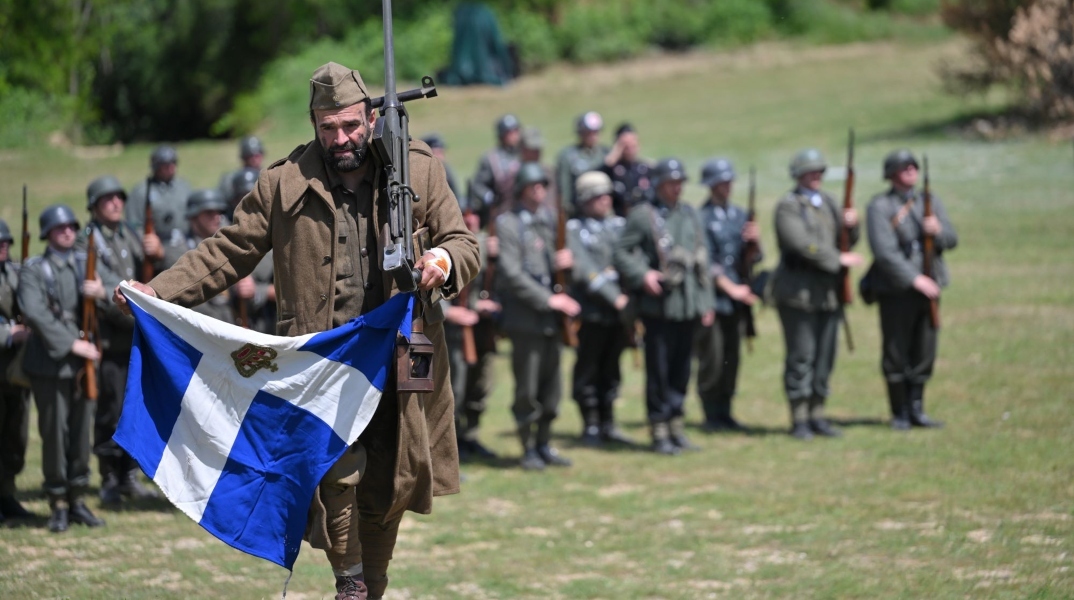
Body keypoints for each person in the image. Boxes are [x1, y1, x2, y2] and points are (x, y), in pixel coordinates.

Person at [112, 61, 479, 600]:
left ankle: (367, 586)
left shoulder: (417, 169)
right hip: (321, 367)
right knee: (337, 478)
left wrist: (443, 262)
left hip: (402, 358)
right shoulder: (284, 182)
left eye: (351, 125)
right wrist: (159, 292)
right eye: (328, 128)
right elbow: (228, 250)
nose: (341, 138)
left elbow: (465, 242)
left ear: (371, 117)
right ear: (314, 124)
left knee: (389, 480)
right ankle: (350, 582)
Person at [614, 158, 714, 455]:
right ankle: (659, 428)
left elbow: (702, 261)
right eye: (672, 182)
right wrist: (643, 274)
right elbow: (621, 252)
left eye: (680, 181)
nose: (677, 187)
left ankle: (676, 426)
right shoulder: (643, 215)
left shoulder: (690, 214)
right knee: (658, 370)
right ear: (658, 184)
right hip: (658, 307)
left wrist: (705, 302)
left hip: (688, 305)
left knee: (682, 369)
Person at [18, 204, 105, 533]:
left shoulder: (87, 263)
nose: (67, 231)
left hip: (84, 364)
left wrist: (100, 291)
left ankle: (78, 497)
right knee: (54, 434)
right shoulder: (34, 269)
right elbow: (34, 311)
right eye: (59, 228)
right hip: (50, 363)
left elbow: (118, 292)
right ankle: (57, 501)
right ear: (47, 233)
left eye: (71, 226)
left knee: (82, 434)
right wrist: (72, 343)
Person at [75, 176, 158, 506]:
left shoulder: (131, 233)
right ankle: (109, 476)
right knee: (110, 409)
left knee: (136, 407)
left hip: (135, 333)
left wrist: (157, 249)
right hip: (108, 337)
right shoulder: (87, 240)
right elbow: (94, 283)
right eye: (107, 199)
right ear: (94, 205)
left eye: (118, 198)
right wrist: (118, 294)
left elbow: (147, 272)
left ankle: (129, 474)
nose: (115, 203)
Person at [770, 149, 863, 440]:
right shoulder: (788, 207)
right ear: (798, 175)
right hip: (798, 292)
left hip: (827, 294)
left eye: (819, 172)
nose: (816, 177)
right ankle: (799, 418)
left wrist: (852, 224)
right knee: (801, 356)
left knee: (825, 357)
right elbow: (800, 244)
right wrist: (837, 260)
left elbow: (847, 239)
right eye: (810, 172)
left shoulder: (831, 203)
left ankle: (818, 414)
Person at [865, 150, 958, 430]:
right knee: (896, 351)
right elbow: (884, 252)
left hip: (930, 285)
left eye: (912, 167)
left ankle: (917, 408)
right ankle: (899, 412)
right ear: (892, 174)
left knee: (924, 349)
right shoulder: (880, 206)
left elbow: (952, 239)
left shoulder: (929, 202)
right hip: (896, 288)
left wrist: (937, 230)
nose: (910, 172)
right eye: (903, 168)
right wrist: (914, 280)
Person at [496, 162, 580, 470]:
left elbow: (571, 267)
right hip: (526, 320)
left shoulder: (550, 221)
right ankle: (528, 446)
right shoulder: (508, 224)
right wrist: (549, 300)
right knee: (527, 390)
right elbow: (512, 273)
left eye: (543, 185)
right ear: (522, 189)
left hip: (551, 324)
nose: (540, 190)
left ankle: (545, 443)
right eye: (535, 186)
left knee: (552, 389)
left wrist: (571, 262)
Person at [566, 171, 634, 446]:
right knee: (588, 368)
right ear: (585, 200)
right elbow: (583, 270)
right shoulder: (573, 229)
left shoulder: (620, 226)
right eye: (598, 196)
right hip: (590, 311)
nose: (605, 200)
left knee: (612, 367)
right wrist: (613, 295)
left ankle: (608, 421)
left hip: (618, 313)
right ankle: (590, 424)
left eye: (607, 195)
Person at [695, 158, 762, 433]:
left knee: (731, 358)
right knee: (713, 358)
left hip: (737, 301)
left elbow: (754, 258)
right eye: (721, 182)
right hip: (715, 299)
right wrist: (731, 288)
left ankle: (726, 410)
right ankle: (711, 412)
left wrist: (755, 242)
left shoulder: (739, 215)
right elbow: (707, 262)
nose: (727, 186)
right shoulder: (701, 218)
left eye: (729, 181)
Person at [441, 200, 500, 462]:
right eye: (467, 215)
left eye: (477, 215)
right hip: (451, 330)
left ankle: (470, 437)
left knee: (481, 386)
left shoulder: (487, 244)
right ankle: (449, 451)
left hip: (480, 326)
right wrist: (448, 312)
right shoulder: (441, 243)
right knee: (454, 390)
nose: (473, 220)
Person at [159, 189, 246, 324]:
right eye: (209, 213)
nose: (217, 217)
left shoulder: (226, 244)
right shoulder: (178, 248)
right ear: (194, 216)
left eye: (219, 212)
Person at [0, 219, 33, 522]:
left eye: (6, 243)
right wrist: (8, 334)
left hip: (15, 369)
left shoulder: (14, 272)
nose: (4, 247)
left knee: (16, 435)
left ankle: (7, 494)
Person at [125, 145, 193, 251]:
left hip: (186, 242)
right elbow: (134, 225)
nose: (171, 167)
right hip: (159, 246)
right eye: (166, 164)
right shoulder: (141, 191)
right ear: (156, 166)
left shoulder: (184, 186)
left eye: (173, 163)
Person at [469, 114, 522, 223]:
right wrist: (489, 197)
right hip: (501, 210)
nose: (514, 135)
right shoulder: (491, 158)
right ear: (501, 135)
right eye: (510, 132)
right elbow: (478, 185)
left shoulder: (524, 153)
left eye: (516, 131)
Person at [556, 111, 609, 209]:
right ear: (580, 133)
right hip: (579, 210)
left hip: (603, 209)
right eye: (588, 132)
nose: (593, 135)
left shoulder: (606, 153)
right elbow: (564, 187)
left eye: (596, 132)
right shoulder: (568, 156)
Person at [600, 123, 653, 217]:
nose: (630, 149)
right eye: (625, 145)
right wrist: (614, 155)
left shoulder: (644, 168)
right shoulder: (611, 169)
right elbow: (599, 174)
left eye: (633, 144)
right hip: (618, 216)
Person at [218, 136, 266, 203]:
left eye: (257, 155)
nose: (254, 159)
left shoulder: (267, 177)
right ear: (243, 157)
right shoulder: (230, 179)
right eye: (250, 156)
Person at [422, 133, 461, 201]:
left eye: (441, 153)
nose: (440, 157)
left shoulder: (447, 171)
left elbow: (456, 196)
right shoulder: (422, 172)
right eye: (436, 153)